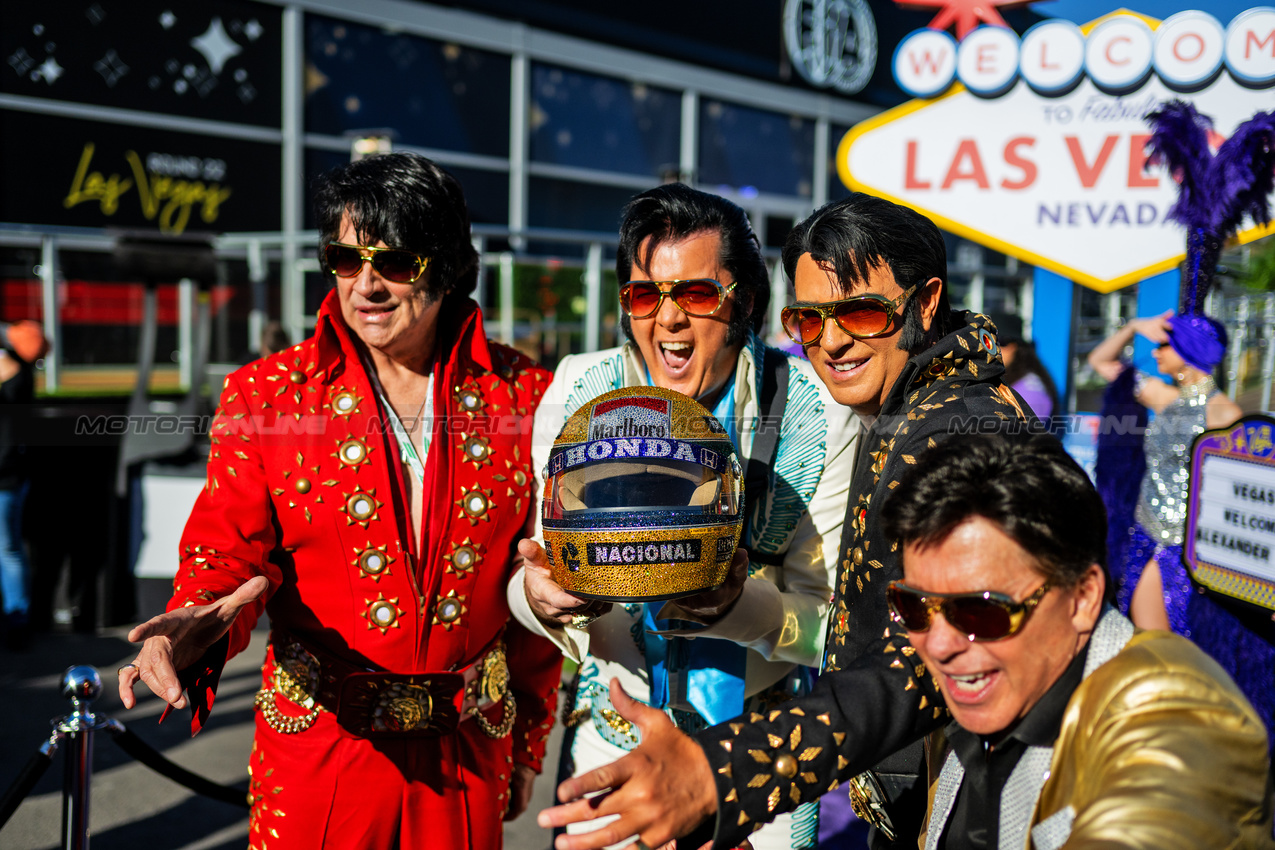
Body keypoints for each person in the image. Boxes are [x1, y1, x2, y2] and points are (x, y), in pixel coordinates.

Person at [537, 194, 1034, 850]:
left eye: (859, 311)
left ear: (923, 303)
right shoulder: (910, 409)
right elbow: (524, 582)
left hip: (945, 792)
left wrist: (725, 772)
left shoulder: (946, 433)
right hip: (628, 749)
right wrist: (545, 601)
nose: (829, 341)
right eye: (808, 318)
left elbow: (917, 659)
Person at [117, 152, 563, 849]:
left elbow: (539, 592)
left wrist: (529, 742)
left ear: (445, 265)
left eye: (394, 262)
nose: (366, 285)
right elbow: (224, 558)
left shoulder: (528, 399)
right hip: (319, 749)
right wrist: (195, 623)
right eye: (345, 260)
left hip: (467, 755)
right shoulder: (268, 396)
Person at [542, 435, 1274, 850]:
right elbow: (880, 684)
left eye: (982, 611)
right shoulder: (982, 662)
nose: (942, 644)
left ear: (1084, 596)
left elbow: (1155, 811)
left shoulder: (1167, 703)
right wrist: (716, 773)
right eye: (912, 608)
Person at [509, 184, 858, 850]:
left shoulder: (818, 409)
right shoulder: (578, 389)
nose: (666, 320)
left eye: (696, 295)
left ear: (746, 302)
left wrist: (732, 606)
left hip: (761, 765)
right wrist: (539, 597)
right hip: (611, 751)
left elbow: (831, 626)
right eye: (645, 296)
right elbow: (526, 578)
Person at [1087, 311, 1274, 749]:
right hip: (1142, 537)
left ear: (1189, 354)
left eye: (1165, 346)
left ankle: (1175, 735)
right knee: (1147, 638)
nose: (1156, 352)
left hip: (1182, 550)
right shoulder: (1165, 398)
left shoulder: (1224, 413)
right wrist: (1133, 326)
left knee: (1161, 644)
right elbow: (1101, 362)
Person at [0, 320, 47, 649]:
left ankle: (17, 619)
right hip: (11, 476)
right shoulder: (18, 375)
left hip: (7, 478)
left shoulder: (16, 376)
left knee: (7, 551)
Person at [990, 313, 1057, 419]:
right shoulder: (996, 379)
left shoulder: (1029, 390)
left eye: (1002, 341)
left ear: (1018, 347)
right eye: (988, 342)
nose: (995, 349)